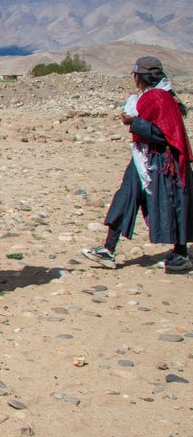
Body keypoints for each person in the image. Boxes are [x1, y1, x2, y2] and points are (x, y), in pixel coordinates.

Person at [81, 55, 192, 274]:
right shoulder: (159, 95)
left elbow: (164, 134)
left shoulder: (158, 98)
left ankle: (181, 254)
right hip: (145, 158)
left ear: (139, 77)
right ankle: (108, 249)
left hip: (162, 163)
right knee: (126, 195)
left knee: (174, 202)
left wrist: (134, 122)